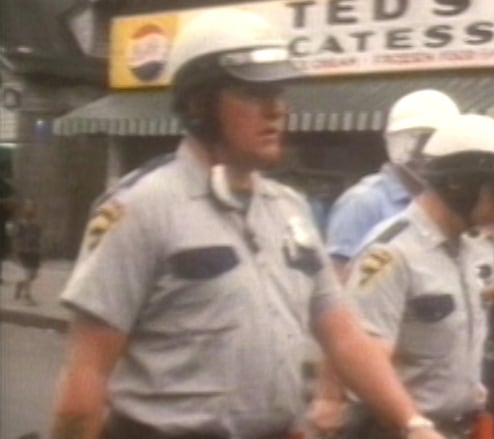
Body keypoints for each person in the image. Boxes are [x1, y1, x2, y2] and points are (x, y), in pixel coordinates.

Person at [50, 9, 447, 439]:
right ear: (200, 104)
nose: (276, 110)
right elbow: (86, 377)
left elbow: (345, 336)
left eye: (278, 93)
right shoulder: (140, 208)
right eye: (254, 94)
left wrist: (413, 423)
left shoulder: (289, 210)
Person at [330, 114, 494, 439]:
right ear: (459, 185)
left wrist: (469, 390)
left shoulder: (467, 251)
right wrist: (413, 424)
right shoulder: (391, 253)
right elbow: (365, 358)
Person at [326, 89, 460, 280]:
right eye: (416, 141)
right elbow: (339, 280)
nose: (423, 152)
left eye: (432, 142)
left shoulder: (443, 201)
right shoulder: (363, 202)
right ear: (396, 143)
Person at [11, 199, 42, 305]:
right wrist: (16, 250)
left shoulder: (37, 223)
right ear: (24, 209)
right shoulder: (21, 223)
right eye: (28, 206)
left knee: (33, 274)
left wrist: (40, 249)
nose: (30, 209)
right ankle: (27, 296)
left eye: (32, 207)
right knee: (28, 273)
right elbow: (16, 237)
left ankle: (20, 285)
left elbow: (38, 237)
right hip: (24, 250)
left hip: (35, 251)